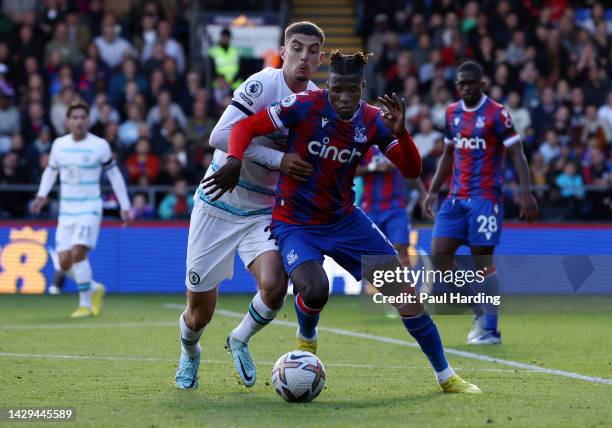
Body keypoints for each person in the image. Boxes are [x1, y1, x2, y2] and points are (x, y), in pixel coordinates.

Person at [205, 51, 480, 394]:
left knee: (405, 295)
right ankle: (307, 338)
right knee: (315, 288)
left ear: (362, 87)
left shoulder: (373, 120)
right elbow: (245, 126)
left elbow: (411, 170)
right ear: (328, 84)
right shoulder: (303, 105)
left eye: (351, 90)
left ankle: (446, 376)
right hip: (296, 222)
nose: (344, 97)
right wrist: (233, 159)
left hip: (345, 220)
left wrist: (402, 134)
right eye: (337, 89)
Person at [174, 21, 325, 390]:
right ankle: (190, 353)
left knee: (275, 286)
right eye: (297, 48)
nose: (304, 56)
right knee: (199, 314)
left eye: (312, 51)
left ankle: (240, 338)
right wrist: (278, 161)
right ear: (283, 50)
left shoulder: (318, 102)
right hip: (219, 202)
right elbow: (219, 136)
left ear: (320, 58)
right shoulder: (262, 84)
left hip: (264, 210)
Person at [422, 61, 539, 345]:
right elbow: (448, 156)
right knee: (439, 256)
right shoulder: (452, 113)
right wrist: (433, 190)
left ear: (482, 84)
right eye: (461, 83)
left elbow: (517, 154)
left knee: (482, 262)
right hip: (455, 198)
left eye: (470, 83)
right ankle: (478, 308)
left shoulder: (497, 114)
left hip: (486, 198)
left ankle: (491, 328)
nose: (465, 88)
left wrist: (525, 192)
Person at [31, 100, 131, 316]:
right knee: (64, 262)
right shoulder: (59, 145)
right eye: (74, 117)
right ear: (68, 121)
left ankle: (85, 304)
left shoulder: (100, 145)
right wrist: (41, 195)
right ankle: (94, 288)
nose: (78, 121)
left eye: (82, 117)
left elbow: (114, 175)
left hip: (90, 208)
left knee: (78, 253)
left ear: (89, 120)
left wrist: (125, 205)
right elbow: (51, 172)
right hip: (66, 211)